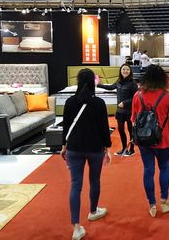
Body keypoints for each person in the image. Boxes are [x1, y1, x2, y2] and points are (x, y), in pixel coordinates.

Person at [61, 68, 112, 240]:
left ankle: (76, 227)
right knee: (94, 181)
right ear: (92, 82)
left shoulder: (69, 102)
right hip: (95, 148)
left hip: (74, 148)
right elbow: (104, 128)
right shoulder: (98, 103)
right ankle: (93, 211)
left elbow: (66, 126)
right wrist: (108, 147)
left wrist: (63, 145)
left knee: (76, 185)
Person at [131, 65, 169, 218]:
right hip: (162, 141)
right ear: (162, 79)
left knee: (148, 170)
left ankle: (152, 204)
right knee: (164, 168)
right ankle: (164, 201)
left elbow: (133, 120)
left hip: (143, 141)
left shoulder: (137, 96)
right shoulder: (168, 97)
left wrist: (133, 138)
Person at [98, 63, 138, 156]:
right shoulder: (119, 81)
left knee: (130, 130)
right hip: (120, 111)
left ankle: (131, 149)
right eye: (123, 69)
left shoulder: (133, 83)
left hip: (129, 111)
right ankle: (124, 148)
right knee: (120, 129)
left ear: (130, 71)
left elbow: (136, 97)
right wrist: (99, 85)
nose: (125, 71)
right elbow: (111, 87)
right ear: (120, 71)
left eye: (127, 69)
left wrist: (125, 103)